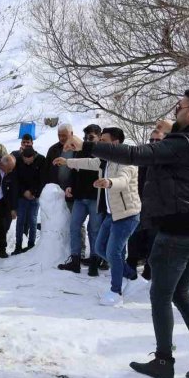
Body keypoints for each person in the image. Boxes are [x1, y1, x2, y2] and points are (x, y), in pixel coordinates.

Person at [68, 89, 189, 378]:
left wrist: (89, 146)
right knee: (180, 293)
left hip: (177, 232)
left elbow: (136, 155)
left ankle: (164, 360)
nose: (175, 110)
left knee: (161, 295)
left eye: (180, 106)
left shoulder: (184, 142)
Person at [62, 127, 141, 306]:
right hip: (112, 214)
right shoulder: (106, 160)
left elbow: (123, 179)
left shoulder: (126, 162)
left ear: (115, 143)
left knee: (113, 252)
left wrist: (109, 182)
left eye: (103, 141)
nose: (99, 144)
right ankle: (132, 277)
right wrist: (66, 163)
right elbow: (88, 163)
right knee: (99, 248)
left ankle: (116, 292)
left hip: (127, 215)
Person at [126, 120, 171, 280]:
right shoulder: (143, 158)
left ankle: (149, 269)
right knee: (134, 237)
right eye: (151, 140)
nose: (153, 143)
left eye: (157, 140)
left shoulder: (168, 160)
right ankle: (130, 265)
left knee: (154, 240)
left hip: (159, 209)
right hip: (139, 205)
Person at [58, 124, 103, 274]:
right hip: (80, 196)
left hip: (96, 196)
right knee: (74, 226)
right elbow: (74, 170)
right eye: (85, 137)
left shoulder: (103, 152)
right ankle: (75, 260)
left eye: (91, 137)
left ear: (99, 137)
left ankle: (95, 262)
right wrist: (70, 186)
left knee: (94, 230)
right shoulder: (80, 150)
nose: (86, 140)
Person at [13, 146, 47, 254]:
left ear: (33, 157)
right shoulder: (18, 160)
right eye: (25, 161)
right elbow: (16, 179)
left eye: (29, 161)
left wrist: (33, 193)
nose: (27, 163)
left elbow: (42, 179)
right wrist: (24, 192)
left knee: (33, 221)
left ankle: (31, 245)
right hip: (22, 196)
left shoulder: (41, 160)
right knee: (20, 221)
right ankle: (18, 246)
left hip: (34, 196)